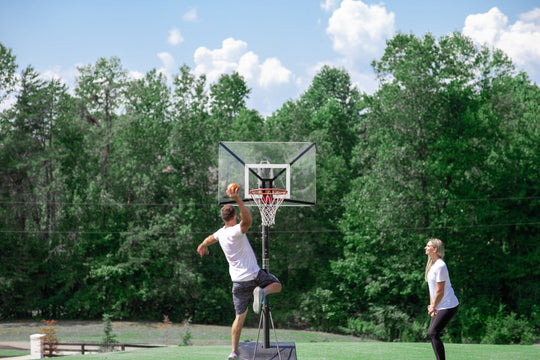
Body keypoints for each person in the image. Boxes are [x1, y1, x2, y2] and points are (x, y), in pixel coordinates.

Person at [197, 185, 282, 360]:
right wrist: (237, 199)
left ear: (222, 218)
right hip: (254, 275)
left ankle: (233, 352)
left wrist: (203, 245)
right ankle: (263, 292)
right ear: (234, 216)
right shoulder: (236, 231)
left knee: (239, 318)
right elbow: (247, 221)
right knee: (277, 285)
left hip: (238, 282)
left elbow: (209, 238)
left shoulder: (221, 233)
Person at [424, 238, 459, 360]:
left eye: (428, 246)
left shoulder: (440, 266)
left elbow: (440, 290)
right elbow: (432, 289)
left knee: (433, 333)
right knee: (432, 333)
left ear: (435, 249)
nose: (425, 247)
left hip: (448, 305)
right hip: (439, 304)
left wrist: (434, 306)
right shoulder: (432, 265)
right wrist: (431, 306)